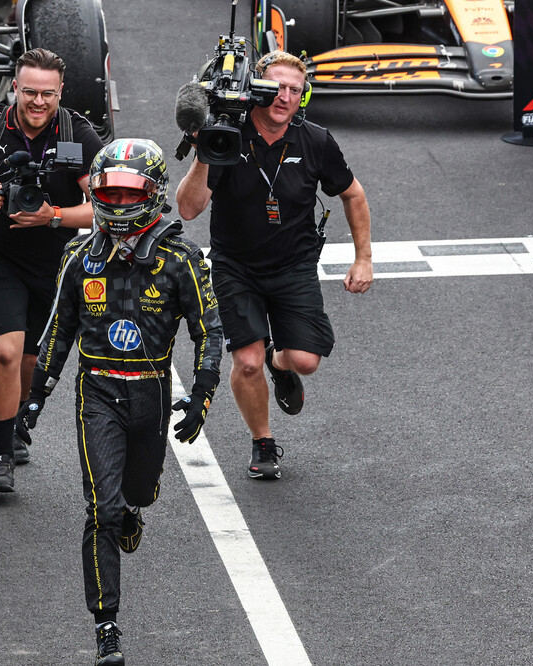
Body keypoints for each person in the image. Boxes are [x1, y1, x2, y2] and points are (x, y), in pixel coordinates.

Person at [19, 139, 223, 665]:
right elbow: (58, 330)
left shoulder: (181, 258)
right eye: (109, 191)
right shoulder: (78, 257)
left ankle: (133, 508)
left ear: (153, 194)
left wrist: (201, 395)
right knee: (100, 509)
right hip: (98, 394)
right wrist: (35, 400)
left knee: (138, 495)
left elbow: (209, 330)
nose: (118, 201)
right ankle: (107, 626)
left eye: (130, 191)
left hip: (151, 394)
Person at [176, 50, 373, 480]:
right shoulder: (228, 135)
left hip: (293, 264)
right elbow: (189, 210)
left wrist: (364, 258)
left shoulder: (316, 140)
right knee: (245, 362)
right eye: (276, 87)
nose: (284, 97)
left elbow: (353, 194)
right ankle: (263, 442)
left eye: (295, 91)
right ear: (256, 88)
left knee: (304, 360)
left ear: (303, 97)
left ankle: (278, 363)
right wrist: (205, 150)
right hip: (235, 265)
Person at [0, 47, 105, 494]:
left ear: (61, 93)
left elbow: (105, 208)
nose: (38, 103)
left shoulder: (78, 131)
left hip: (53, 259)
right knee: (5, 351)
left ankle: (16, 423)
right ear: (14, 87)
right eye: (30, 92)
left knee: (33, 360)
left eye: (48, 95)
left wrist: (52, 215)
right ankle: (0, 456)